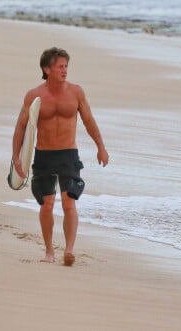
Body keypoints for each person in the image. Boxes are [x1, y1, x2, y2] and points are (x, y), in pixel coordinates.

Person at [12, 47, 109, 266]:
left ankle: (69, 250)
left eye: (66, 66)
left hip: (68, 154)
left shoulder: (76, 92)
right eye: (60, 67)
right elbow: (21, 127)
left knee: (69, 203)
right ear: (47, 69)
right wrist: (16, 157)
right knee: (46, 205)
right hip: (44, 154)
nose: (64, 70)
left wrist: (100, 146)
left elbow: (89, 121)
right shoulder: (34, 95)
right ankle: (48, 251)